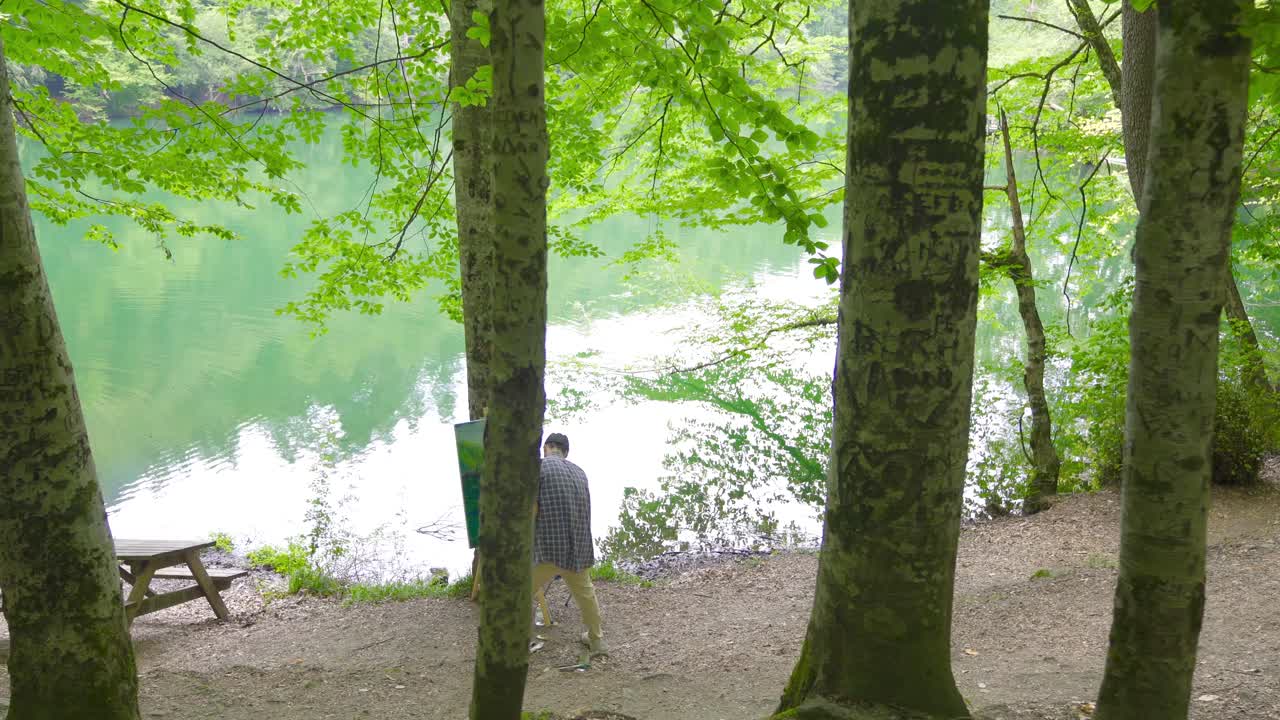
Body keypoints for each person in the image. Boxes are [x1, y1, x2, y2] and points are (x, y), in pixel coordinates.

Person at [533, 432, 607, 656]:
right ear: (565, 452)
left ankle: (515, 642)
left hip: (548, 549)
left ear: (546, 447)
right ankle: (596, 641)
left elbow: (532, 509)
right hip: (577, 549)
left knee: (519, 594)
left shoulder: (539, 468)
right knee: (586, 595)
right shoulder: (580, 472)